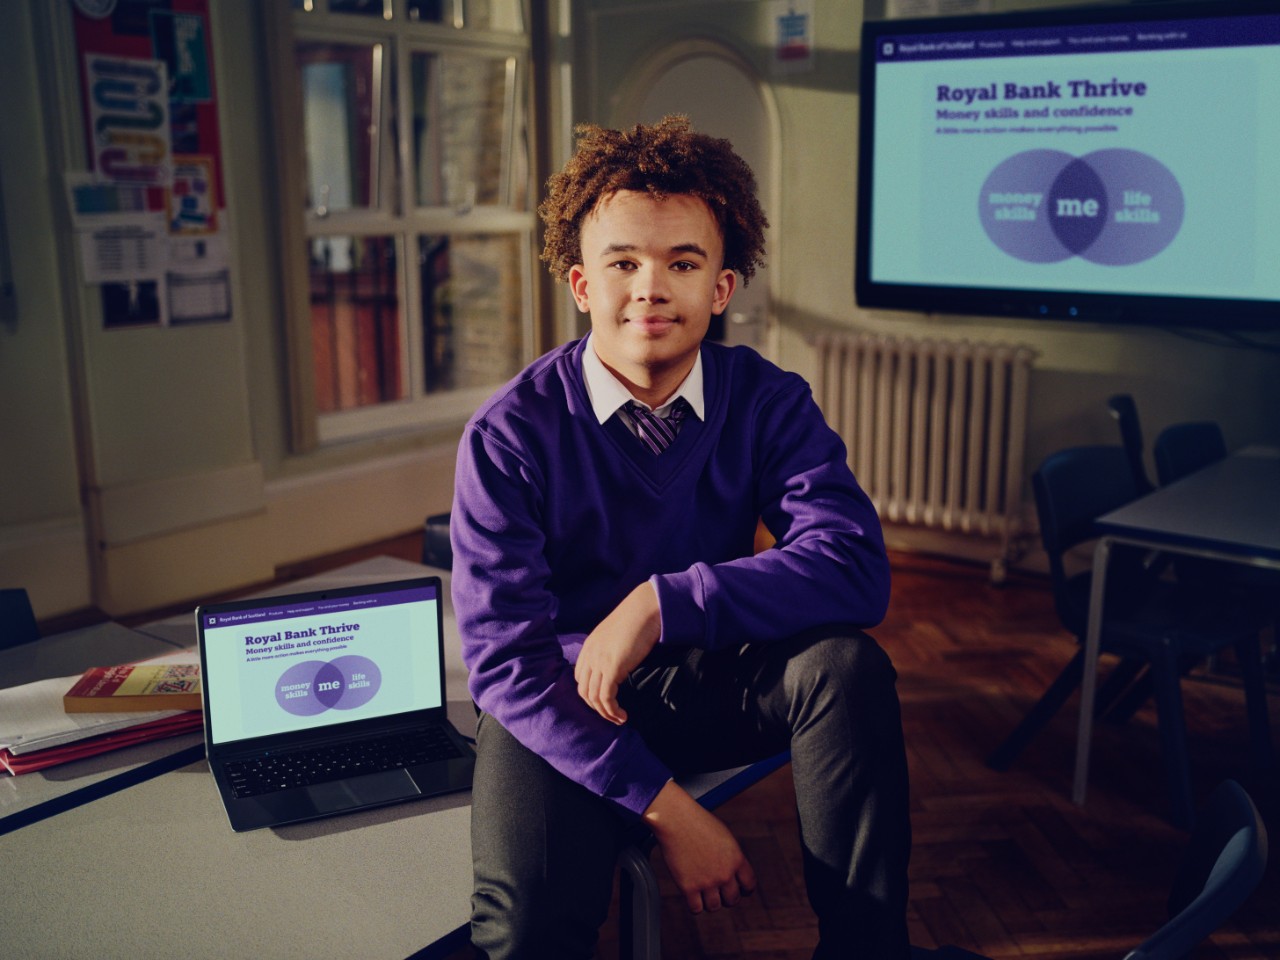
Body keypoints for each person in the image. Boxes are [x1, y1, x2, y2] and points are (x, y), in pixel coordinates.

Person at [451, 115, 911, 960]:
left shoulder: (768, 400)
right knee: (524, 928)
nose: (651, 289)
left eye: (683, 264)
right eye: (623, 262)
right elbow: (505, 661)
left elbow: (855, 566)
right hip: (565, 700)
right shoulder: (508, 434)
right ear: (581, 283)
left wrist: (663, 603)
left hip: (710, 679)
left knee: (847, 667)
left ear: (722, 289)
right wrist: (669, 811)